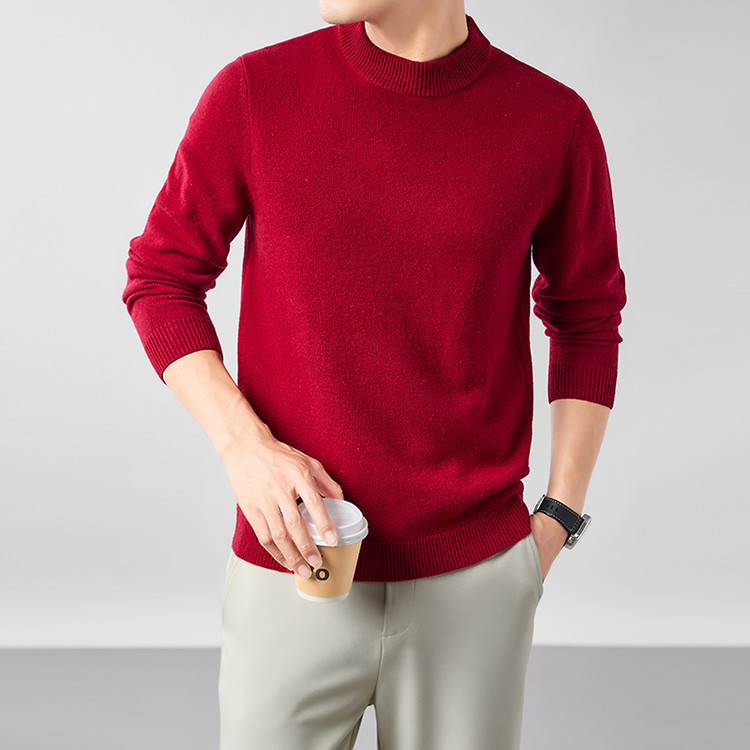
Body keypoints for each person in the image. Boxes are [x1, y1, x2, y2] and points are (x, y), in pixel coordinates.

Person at [121, 1, 627, 748]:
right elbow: (162, 278)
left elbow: (586, 321)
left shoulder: (552, 121)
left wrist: (559, 517)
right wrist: (245, 449)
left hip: (475, 578)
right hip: (293, 559)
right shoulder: (255, 92)